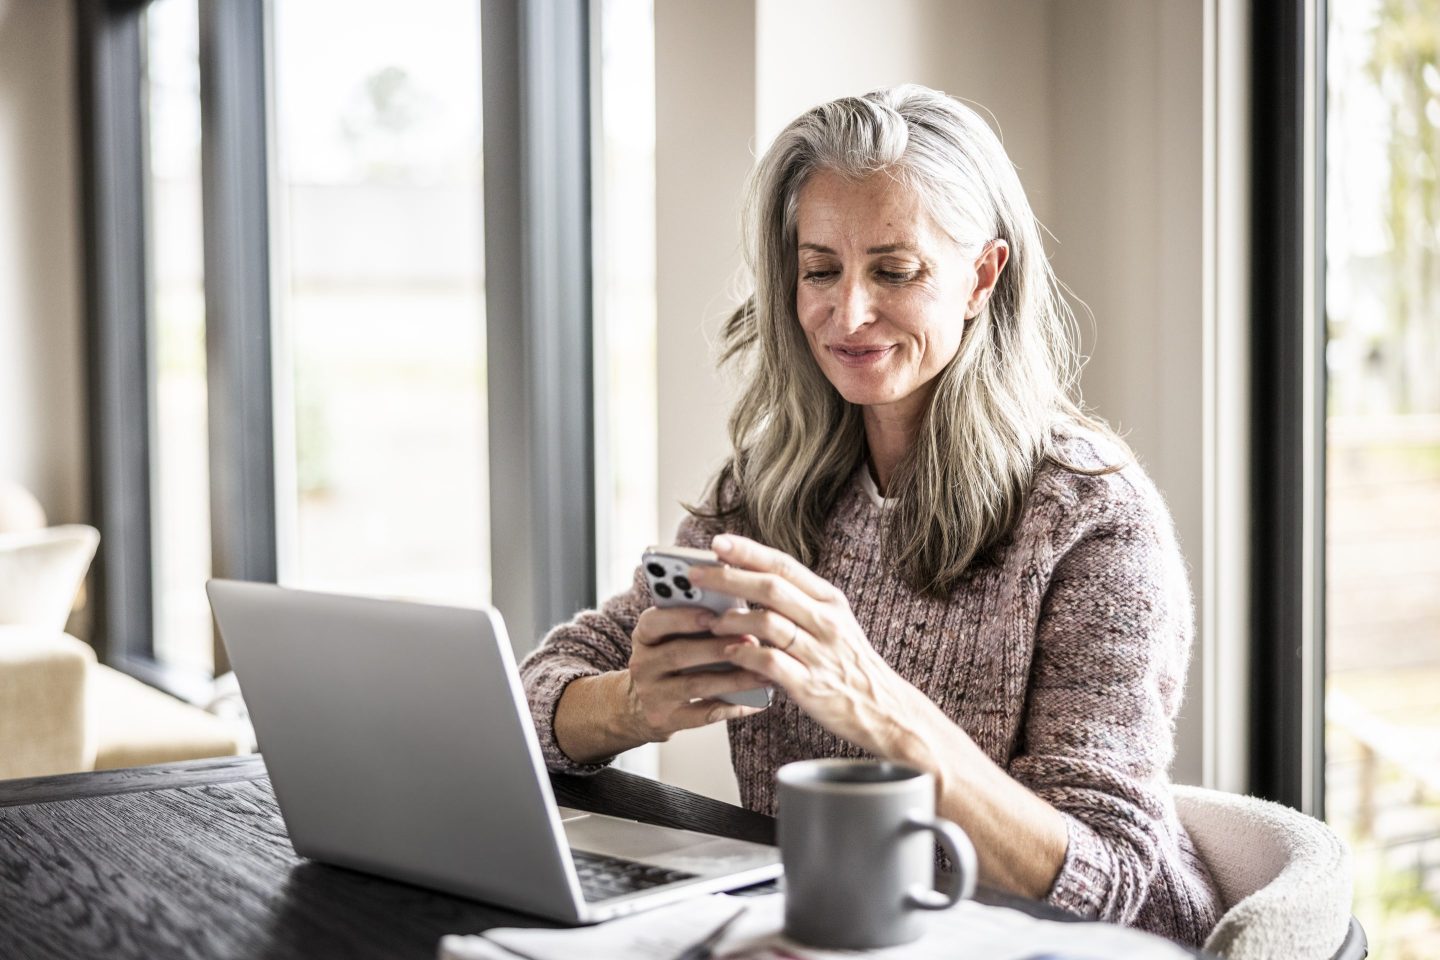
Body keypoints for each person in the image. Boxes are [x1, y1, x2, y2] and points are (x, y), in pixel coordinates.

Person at [520, 85, 1221, 946]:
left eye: (895, 270)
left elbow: (1104, 878)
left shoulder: (1092, 524)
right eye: (820, 269)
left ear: (981, 277)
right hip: (838, 930)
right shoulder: (770, 489)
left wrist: (873, 702)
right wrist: (632, 704)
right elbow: (537, 692)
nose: (847, 314)